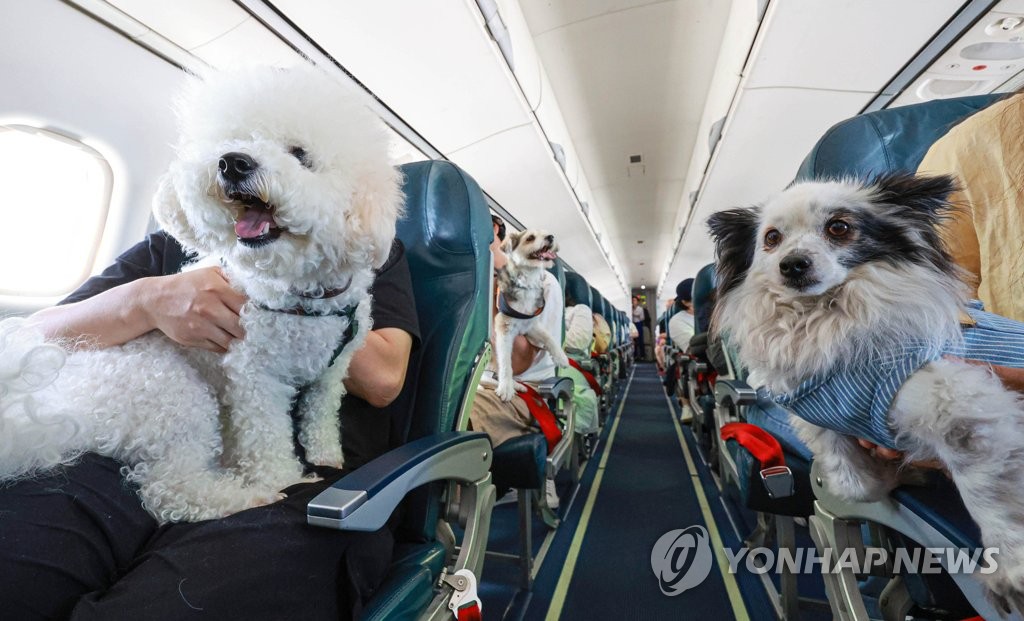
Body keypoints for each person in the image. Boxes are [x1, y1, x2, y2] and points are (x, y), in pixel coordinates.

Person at [1, 230, 420, 620]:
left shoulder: (361, 244)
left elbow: (384, 379)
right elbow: (34, 335)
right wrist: (146, 300)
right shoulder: (171, 245)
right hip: (128, 448)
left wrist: (297, 290)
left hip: (301, 480)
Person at [470, 216, 563, 508]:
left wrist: (501, 303)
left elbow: (521, 361)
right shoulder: (474, 283)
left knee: (462, 413)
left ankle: (450, 509)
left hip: (525, 389)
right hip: (480, 383)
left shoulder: (545, 285)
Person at [632, 296, 645, 360]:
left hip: (638, 324)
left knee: (640, 340)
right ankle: (635, 355)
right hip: (633, 324)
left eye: (634, 300)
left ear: (637, 302)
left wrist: (634, 314)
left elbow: (642, 318)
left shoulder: (640, 309)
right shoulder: (630, 308)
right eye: (633, 300)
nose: (633, 302)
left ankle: (642, 356)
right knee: (634, 341)